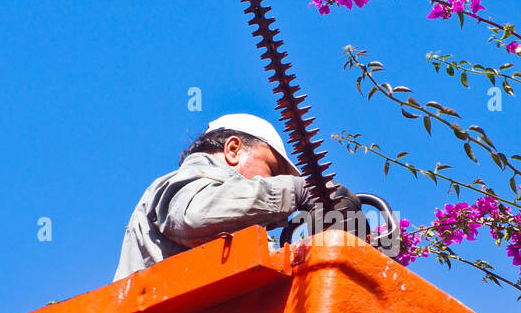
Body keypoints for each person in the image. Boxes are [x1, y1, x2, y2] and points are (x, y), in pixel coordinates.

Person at [113, 112, 360, 280]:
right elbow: (195, 215)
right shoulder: (179, 186)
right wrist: (296, 190)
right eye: (272, 170)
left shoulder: (232, 227)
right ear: (233, 150)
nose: (276, 182)